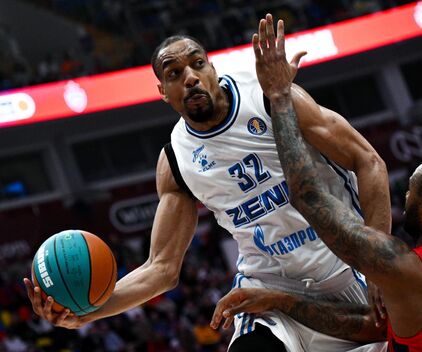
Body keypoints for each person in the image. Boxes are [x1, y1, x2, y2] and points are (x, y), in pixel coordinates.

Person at [24, 14, 389, 352]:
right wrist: (85, 314)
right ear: (163, 92)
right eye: (174, 73)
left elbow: (367, 161)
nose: (190, 77)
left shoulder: (269, 96)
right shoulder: (176, 161)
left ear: (213, 68)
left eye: (197, 64)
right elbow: (161, 268)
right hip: (269, 286)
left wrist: (380, 263)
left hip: (346, 268)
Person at [211, 17, 422, 351]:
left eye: (411, 189)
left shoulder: (408, 270)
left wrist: (279, 97)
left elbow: (307, 198)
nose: (404, 195)